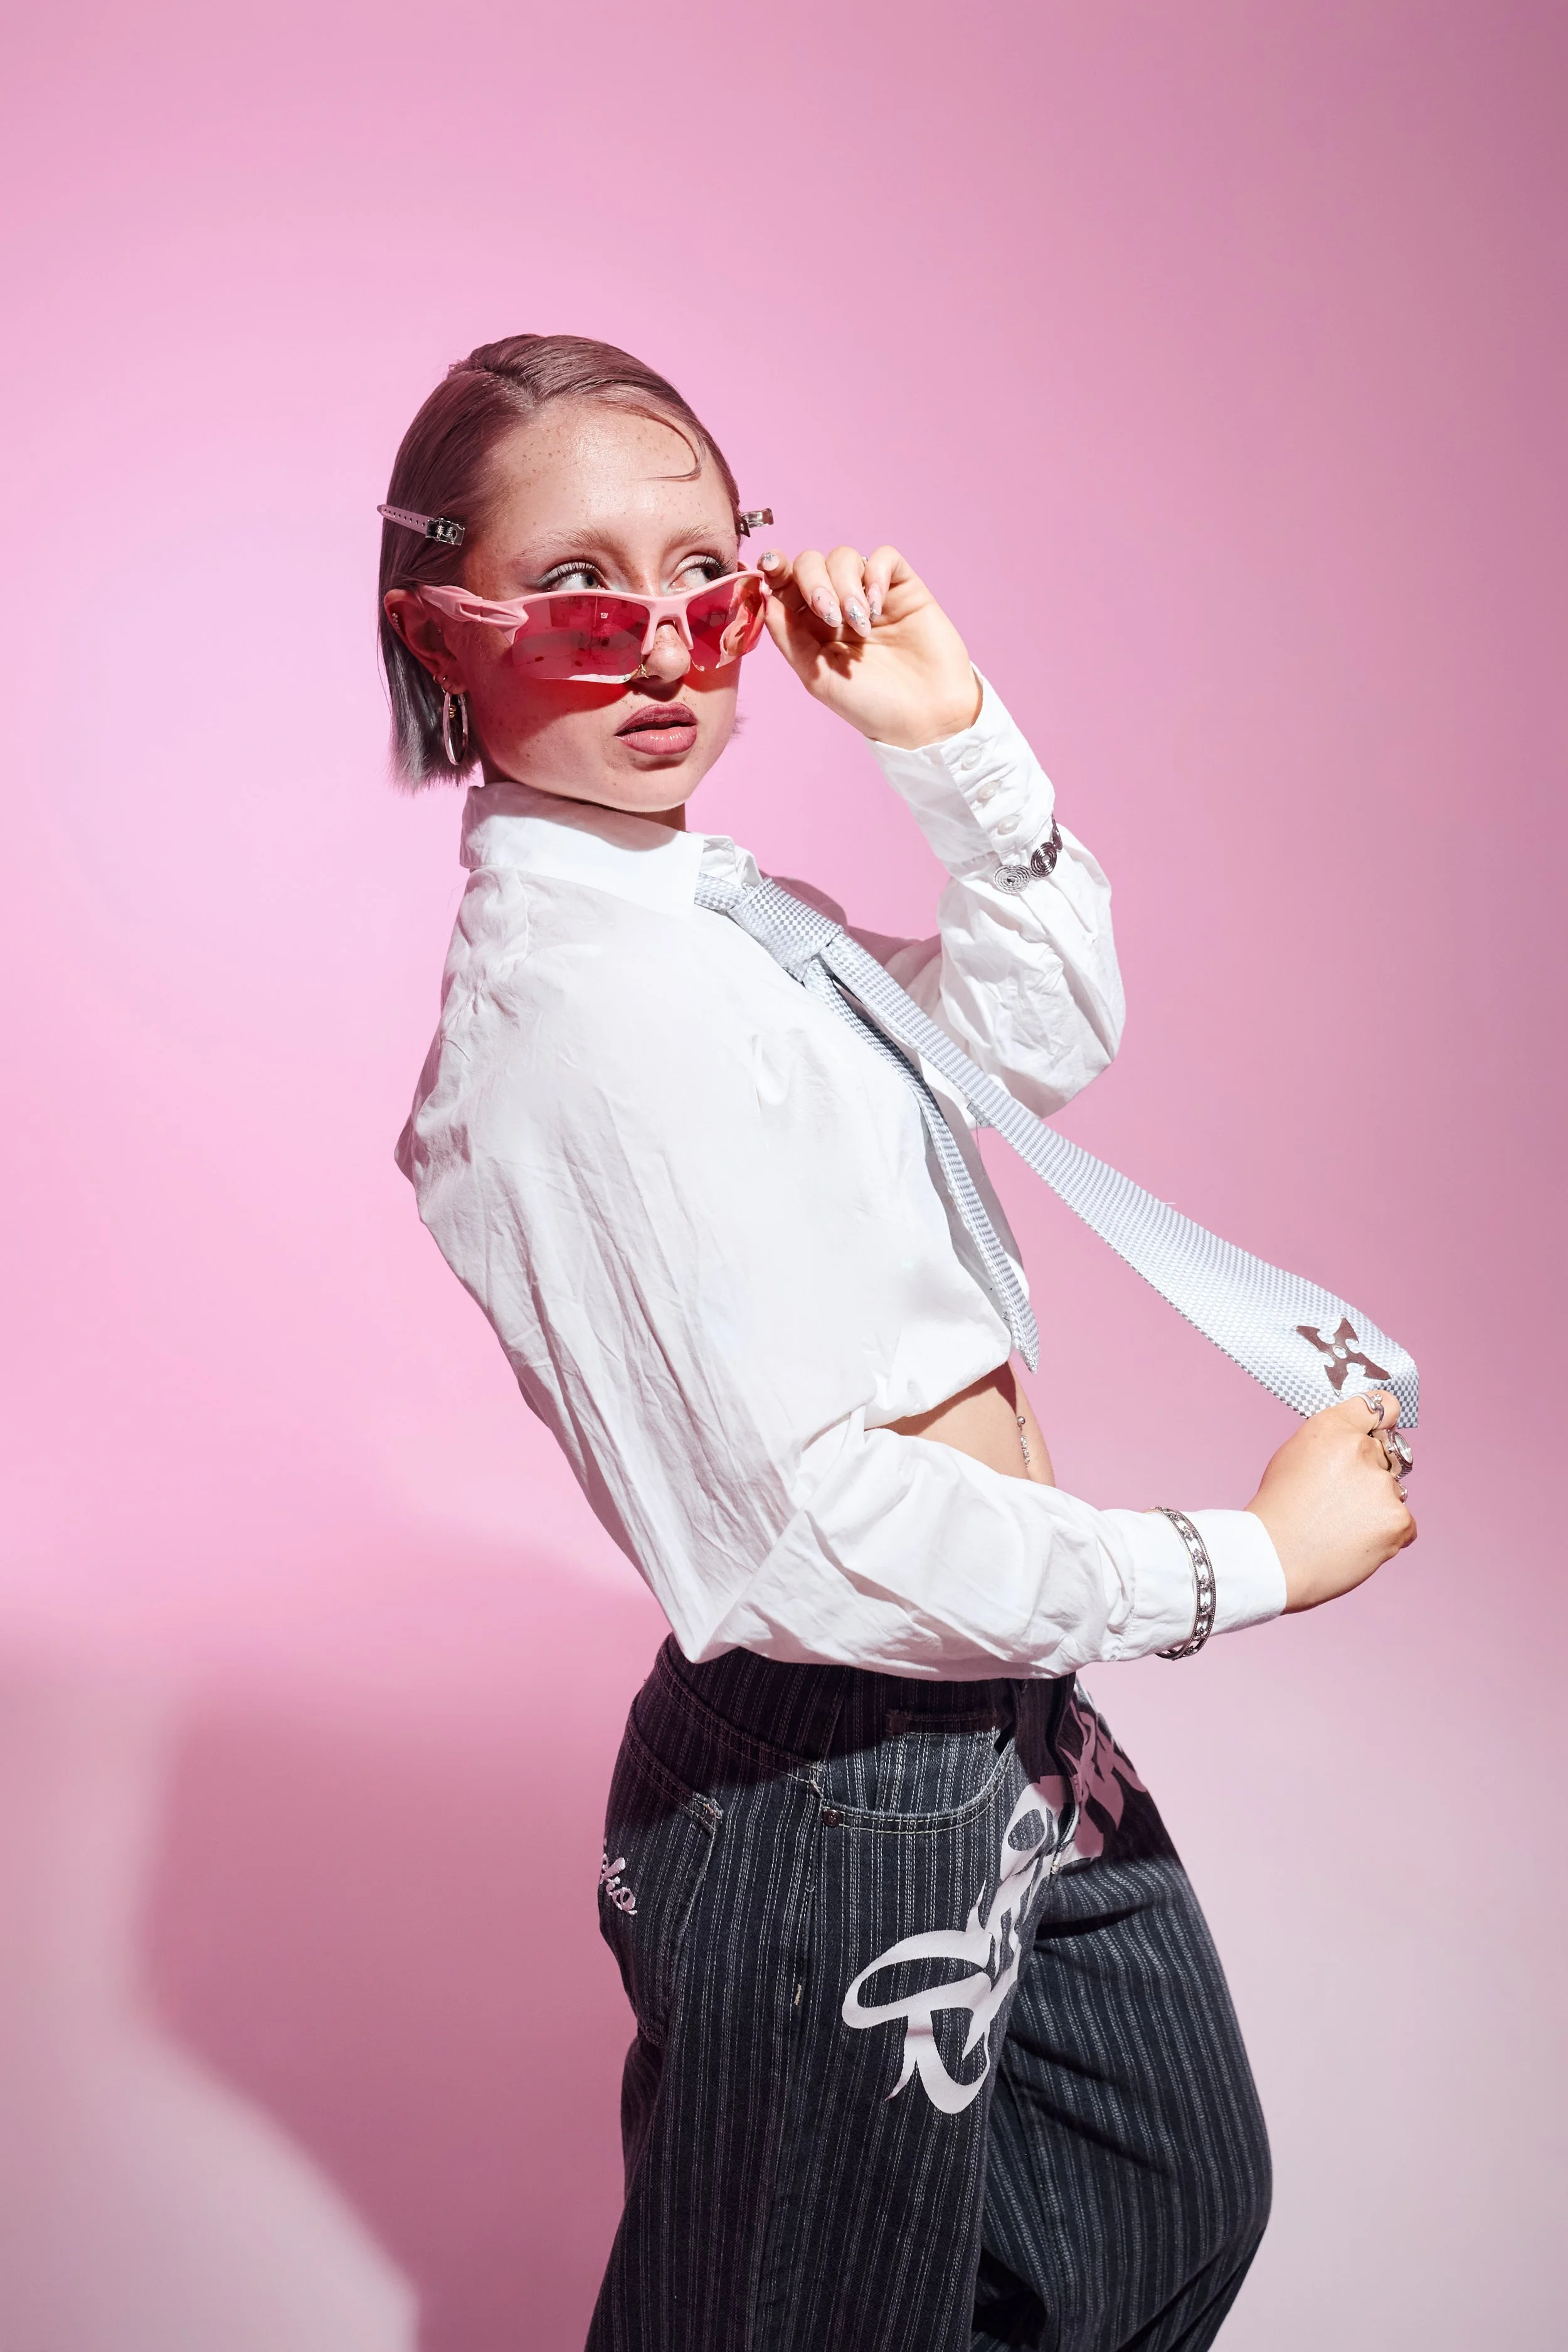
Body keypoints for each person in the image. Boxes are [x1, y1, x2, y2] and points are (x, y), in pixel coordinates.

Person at [379, 334, 1415, 2352]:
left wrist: (947, 741)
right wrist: (1237, 1562)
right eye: (588, 599)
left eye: (708, 577)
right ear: (442, 636)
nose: (668, 646)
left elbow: (1031, 1039)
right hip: (825, 1770)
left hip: (980, 1705)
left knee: (1161, 2195)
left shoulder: (696, 902)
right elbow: (802, 1542)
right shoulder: (570, 1034)